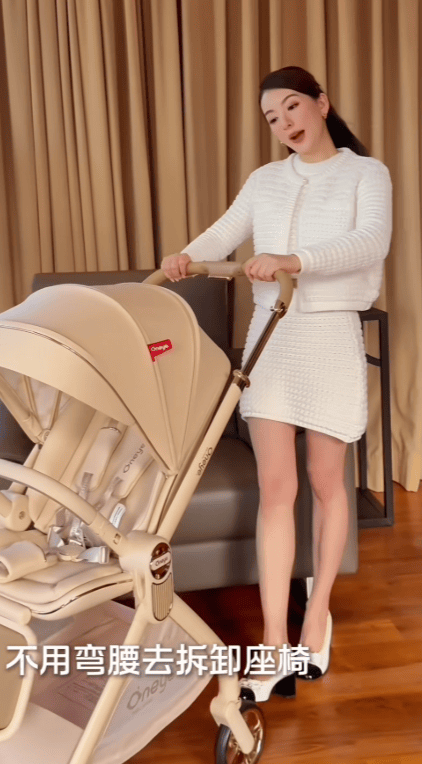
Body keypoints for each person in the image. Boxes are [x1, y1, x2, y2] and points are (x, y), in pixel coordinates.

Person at [161, 66, 392, 703]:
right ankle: (270, 640)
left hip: (330, 335)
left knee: (325, 480)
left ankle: (316, 615)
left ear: (321, 103)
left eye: (292, 107)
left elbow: (370, 242)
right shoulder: (265, 180)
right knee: (276, 489)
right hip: (272, 339)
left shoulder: (366, 174)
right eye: (272, 117)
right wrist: (185, 256)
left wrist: (295, 261)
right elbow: (225, 231)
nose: (285, 123)